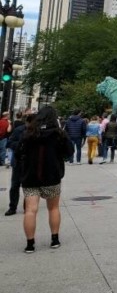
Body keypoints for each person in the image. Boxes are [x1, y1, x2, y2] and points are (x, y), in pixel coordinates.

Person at [17, 106, 74, 253]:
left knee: (30, 210)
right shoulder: (58, 134)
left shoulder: (28, 133)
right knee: (53, 208)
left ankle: (30, 244)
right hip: (51, 176)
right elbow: (69, 151)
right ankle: (54, 239)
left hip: (30, 176)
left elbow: (18, 153)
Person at [5, 113, 32, 216]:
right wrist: (21, 144)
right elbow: (9, 143)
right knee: (14, 186)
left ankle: (27, 207)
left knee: (28, 186)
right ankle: (12, 207)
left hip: (30, 163)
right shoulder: (18, 130)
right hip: (18, 161)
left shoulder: (37, 132)